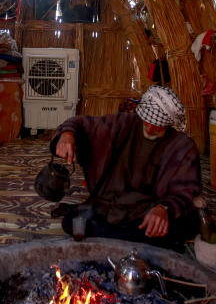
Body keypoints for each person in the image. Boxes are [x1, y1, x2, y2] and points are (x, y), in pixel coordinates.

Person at [50, 85, 200, 249]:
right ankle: (130, 240)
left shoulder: (182, 146)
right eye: (146, 121)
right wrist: (67, 135)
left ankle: (117, 237)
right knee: (72, 222)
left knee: (183, 226)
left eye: (157, 126)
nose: (149, 128)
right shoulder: (122, 124)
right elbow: (79, 123)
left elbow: (186, 191)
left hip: (150, 212)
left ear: (168, 123)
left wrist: (164, 208)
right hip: (111, 206)